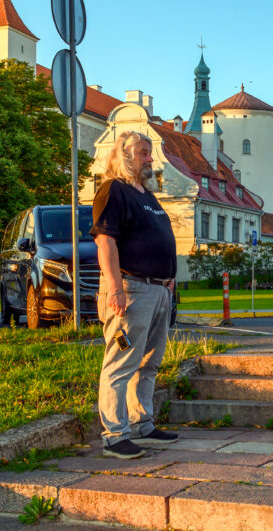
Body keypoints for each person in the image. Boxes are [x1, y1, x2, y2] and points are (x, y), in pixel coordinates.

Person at [91, 130, 179, 459]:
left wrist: (169, 280)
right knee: (121, 361)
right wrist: (115, 288)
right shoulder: (113, 190)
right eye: (144, 152)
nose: (150, 159)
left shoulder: (147, 195)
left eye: (149, 152)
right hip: (131, 290)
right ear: (125, 155)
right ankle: (115, 436)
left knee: (149, 362)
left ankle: (142, 423)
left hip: (158, 291)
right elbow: (105, 241)